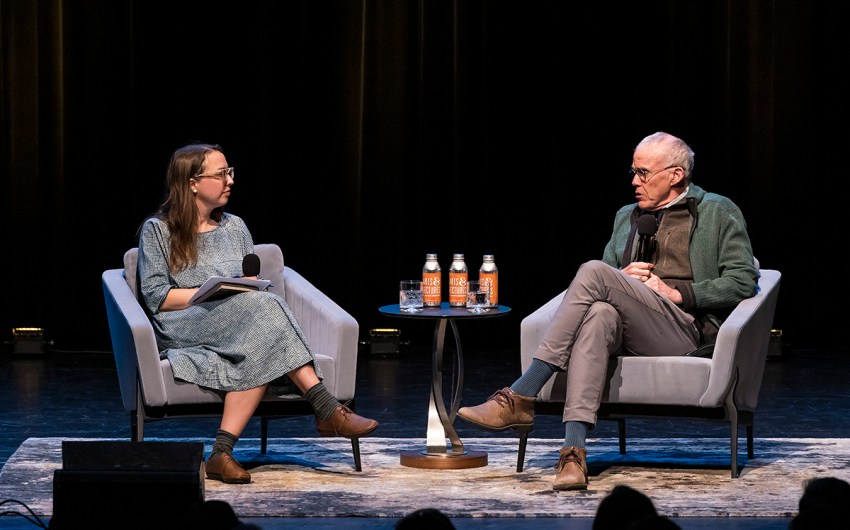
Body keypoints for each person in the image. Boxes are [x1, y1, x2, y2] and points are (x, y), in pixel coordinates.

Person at [457, 131, 758, 491]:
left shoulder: (717, 210)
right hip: (628, 327)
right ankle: (573, 454)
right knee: (599, 313)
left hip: (683, 330)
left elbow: (743, 280)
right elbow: (600, 284)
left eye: (643, 173)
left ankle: (523, 392)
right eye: (632, 171)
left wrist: (679, 293)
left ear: (676, 175)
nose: (634, 182)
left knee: (595, 271)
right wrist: (622, 278)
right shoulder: (626, 217)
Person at [137, 143, 379, 484]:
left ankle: (221, 453)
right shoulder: (158, 230)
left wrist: (243, 287)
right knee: (265, 310)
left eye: (229, 172)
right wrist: (209, 290)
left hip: (239, 322)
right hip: (185, 323)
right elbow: (157, 297)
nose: (229, 180)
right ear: (192, 182)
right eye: (220, 174)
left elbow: (252, 284)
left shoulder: (235, 227)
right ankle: (325, 407)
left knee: (261, 323)